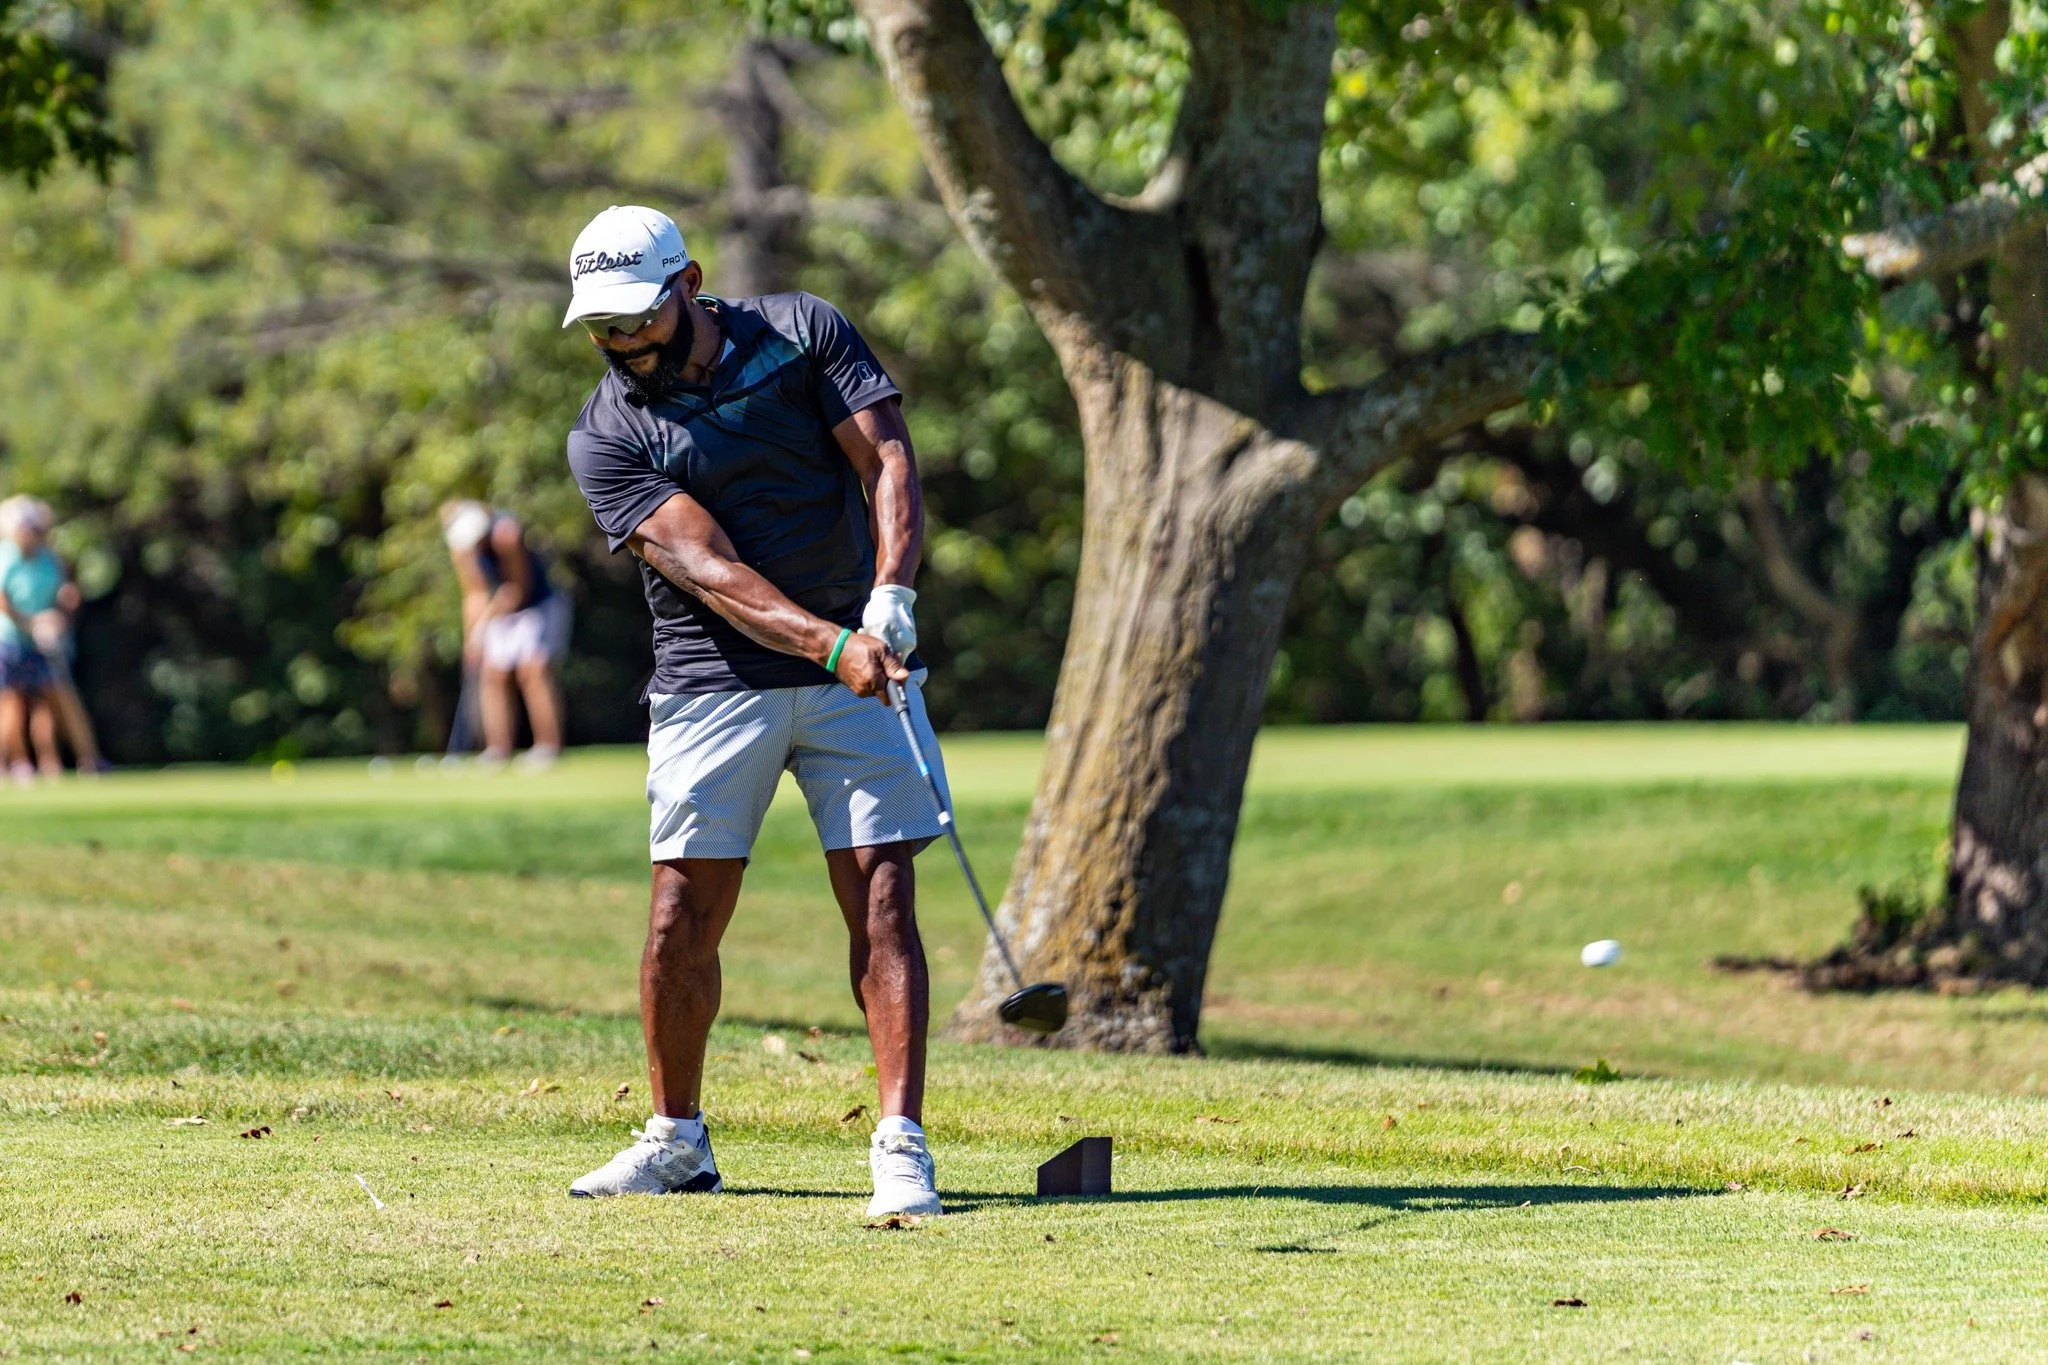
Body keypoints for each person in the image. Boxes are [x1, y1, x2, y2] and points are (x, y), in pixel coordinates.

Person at [558, 205, 939, 1217]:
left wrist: (889, 597)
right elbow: (709, 570)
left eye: (635, 318)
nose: (621, 342)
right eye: (601, 327)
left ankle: (899, 1144)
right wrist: (831, 643)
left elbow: (886, 458)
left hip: (860, 661)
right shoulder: (606, 435)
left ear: (686, 285)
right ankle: (676, 1140)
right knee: (681, 918)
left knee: (883, 899)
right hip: (710, 682)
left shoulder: (802, 332)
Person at [441, 500, 570, 768]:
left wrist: (485, 621)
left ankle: (548, 746)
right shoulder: (461, 548)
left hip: (539, 603)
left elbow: (517, 589)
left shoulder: (506, 534)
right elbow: (474, 593)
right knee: (492, 674)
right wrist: (471, 639)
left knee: (532, 671)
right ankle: (497, 750)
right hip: (500, 608)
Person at [0, 496, 100, 782]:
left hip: (47, 638)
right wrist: (30, 623)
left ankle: (58, 761)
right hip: (10, 638)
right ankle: (15, 763)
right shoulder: (6, 555)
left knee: (53, 699)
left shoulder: (48, 556)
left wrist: (60, 614)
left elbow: (64, 592)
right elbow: (2, 599)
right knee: (13, 701)